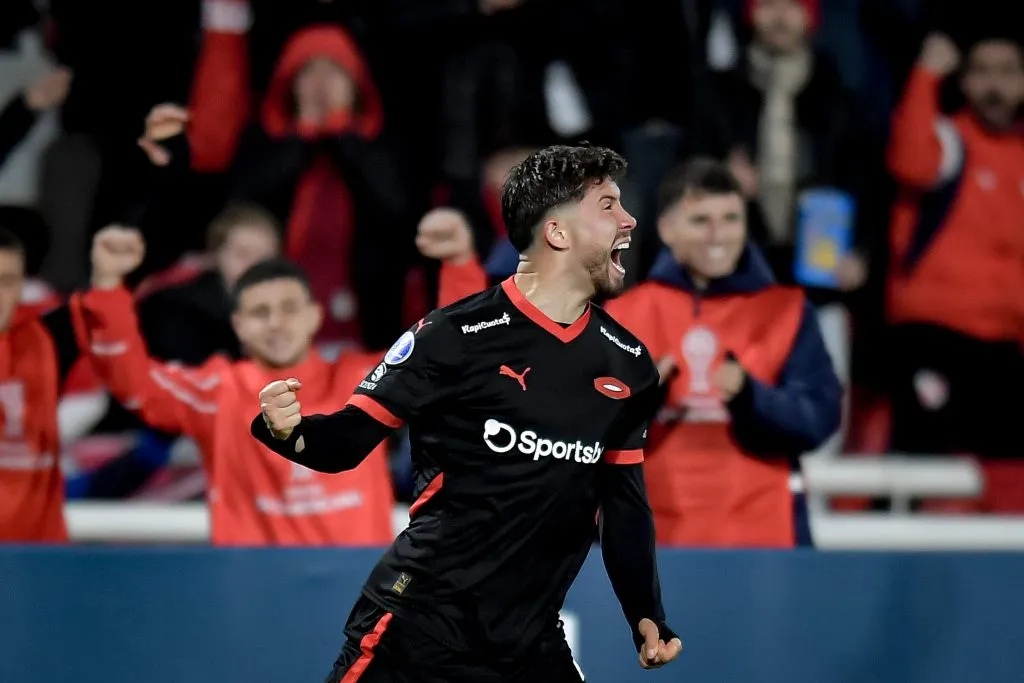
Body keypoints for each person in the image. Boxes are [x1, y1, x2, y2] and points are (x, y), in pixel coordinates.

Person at [253, 144, 682, 682]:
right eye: (607, 205)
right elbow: (344, 443)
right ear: (558, 233)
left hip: (530, 640)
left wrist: (646, 613)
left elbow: (624, 506)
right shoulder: (453, 336)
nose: (629, 219)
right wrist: (286, 429)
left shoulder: (629, 363)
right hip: (419, 627)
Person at [417, 158, 843, 547]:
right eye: (701, 220)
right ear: (667, 229)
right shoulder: (621, 317)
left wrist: (752, 397)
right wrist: (643, 400)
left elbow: (819, 418)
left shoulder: (786, 310)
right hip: (652, 546)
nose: (719, 234)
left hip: (766, 543)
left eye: (731, 218)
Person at [70, 226, 395, 546]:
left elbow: (443, 360)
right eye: (260, 312)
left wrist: (449, 263)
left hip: (360, 592)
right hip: (253, 593)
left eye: (289, 309)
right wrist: (108, 287)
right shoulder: (218, 391)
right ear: (238, 324)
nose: (275, 323)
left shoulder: (365, 379)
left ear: (314, 315)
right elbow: (132, 380)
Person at [0, 229, 82, 542]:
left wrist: (108, 276)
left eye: (7, 281)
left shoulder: (50, 342)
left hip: (37, 561)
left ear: (22, 288)